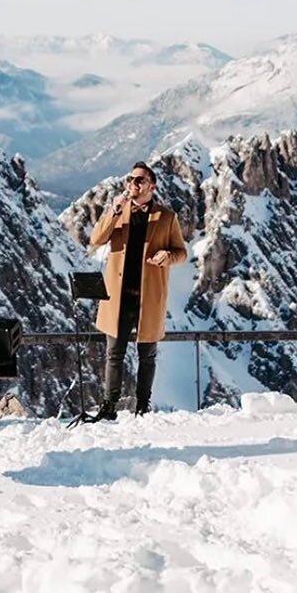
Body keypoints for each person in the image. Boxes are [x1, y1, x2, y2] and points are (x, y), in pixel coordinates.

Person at [87, 161, 187, 420]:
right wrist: (113, 211)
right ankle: (109, 406)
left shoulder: (166, 217)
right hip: (117, 298)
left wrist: (168, 255)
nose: (132, 184)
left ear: (151, 186)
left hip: (148, 298)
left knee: (147, 355)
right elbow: (96, 239)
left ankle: (143, 407)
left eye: (139, 180)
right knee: (114, 354)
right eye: (130, 179)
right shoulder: (118, 212)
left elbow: (182, 253)